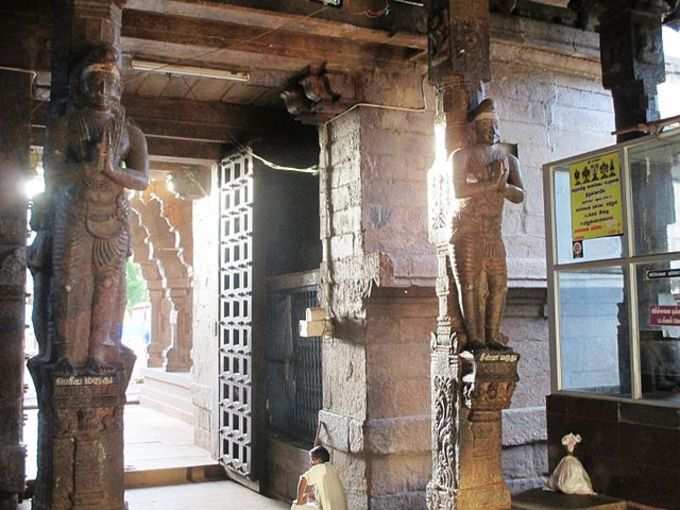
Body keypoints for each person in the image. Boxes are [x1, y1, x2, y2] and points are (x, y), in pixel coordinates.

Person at [45, 43, 149, 370]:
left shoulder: (131, 132)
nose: (103, 89)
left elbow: (142, 179)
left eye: (111, 83)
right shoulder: (64, 126)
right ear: (81, 85)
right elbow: (53, 174)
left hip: (114, 218)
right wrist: (87, 168)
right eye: (96, 81)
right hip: (74, 214)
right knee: (69, 283)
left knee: (107, 286)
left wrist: (113, 172)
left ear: (120, 88)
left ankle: (97, 352)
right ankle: (64, 353)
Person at [449, 98, 525, 351]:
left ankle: (492, 335)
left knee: (499, 285)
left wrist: (503, 188)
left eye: (494, 125)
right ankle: (475, 338)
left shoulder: (507, 159)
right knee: (469, 284)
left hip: (494, 231)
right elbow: (459, 190)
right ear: (474, 130)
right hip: (468, 229)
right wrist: (492, 186)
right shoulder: (462, 156)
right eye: (486, 126)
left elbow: (520, 195)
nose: (491, 130)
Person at [292, 446, 347, 510]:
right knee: (310, 501)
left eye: (312, 459)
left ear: (319, 460)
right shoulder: (331, 469)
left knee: (296, 505)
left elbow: (303, 479)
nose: (311, 463)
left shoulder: (320, 468)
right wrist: (310, 496)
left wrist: (299, 501)